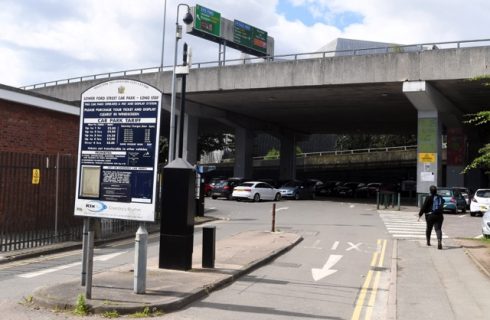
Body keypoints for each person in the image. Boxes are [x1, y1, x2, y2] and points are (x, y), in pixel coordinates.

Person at [418, 185, 445, 249]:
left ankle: (428, 241)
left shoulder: (428, 197)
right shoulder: (440, 197)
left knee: (429, 228)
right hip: (439, 215)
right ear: (436, 191)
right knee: (438, 229)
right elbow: (443, 203)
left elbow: (424, 207)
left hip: (430, 216)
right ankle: (439, 241)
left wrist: (420, 214)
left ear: (430, 191)